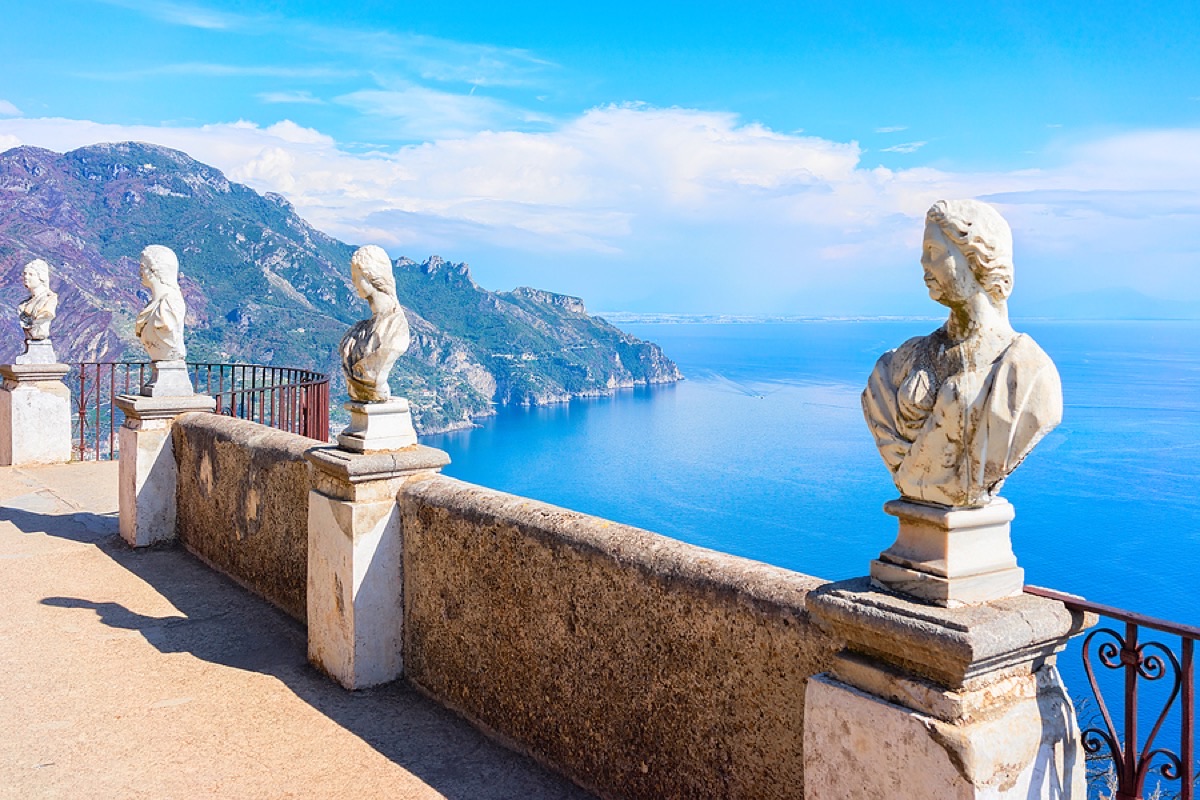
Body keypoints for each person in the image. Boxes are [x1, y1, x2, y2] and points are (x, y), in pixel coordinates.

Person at [862, 199, 1062, 508]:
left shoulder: (1027, 372)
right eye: (923, 253)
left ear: (978, 260)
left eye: (935, 252)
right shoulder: (899, 363)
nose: (923, 264)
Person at [339, 245, 410, 402]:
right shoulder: (361, 328)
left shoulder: (395, 327)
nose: (353, 282)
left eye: (356, 276)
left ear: (372, 275)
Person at [134, 245, 187, 361]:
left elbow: (167, 325)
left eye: (142, 267)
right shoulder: (153, 306)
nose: (139, 272)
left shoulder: (170, 303)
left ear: (154, 270)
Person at [17, 258, 57, 341]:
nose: (26, 277)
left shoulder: (49, 299)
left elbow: (46, 314)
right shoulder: (23, 305)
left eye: (31, 274)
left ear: (41, 277)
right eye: (25, 274)